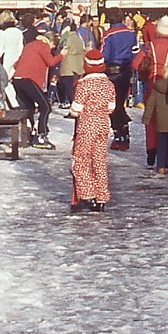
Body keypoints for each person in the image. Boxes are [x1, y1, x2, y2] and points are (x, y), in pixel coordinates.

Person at [133, 15, 168, 168]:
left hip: (151, 85)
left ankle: (151, 149)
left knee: (151, 119)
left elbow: (135, 63)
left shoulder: (148, 46)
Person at [69, 49, 114, 212]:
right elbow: (111, 107)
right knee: (99, 160)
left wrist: (74, 112)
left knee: (80, 160)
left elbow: (76, 109)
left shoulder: (84, 84)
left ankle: (87, 194)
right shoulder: (108, 84)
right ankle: (102, 197)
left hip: (87, 125)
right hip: (103, 124)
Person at [12, 31, 65, 148]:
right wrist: (62, 55)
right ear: (50, 42)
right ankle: (41, 136)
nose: (51, 49)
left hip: (17, 79)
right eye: (53, 47)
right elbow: (51, 62)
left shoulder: (30, 45)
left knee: (29, 108)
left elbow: (17, 64)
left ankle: (30, 133)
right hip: (28, 80)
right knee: (45, 106)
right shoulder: (43, 45)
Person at [100, 8, 137, 150]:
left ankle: (119, 135)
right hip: (126, 71)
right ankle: (125, 133)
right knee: (120, 101)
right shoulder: (131, 33)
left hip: (112, 72)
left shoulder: (108, 35)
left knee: (113, 106)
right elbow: (134, 52)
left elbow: (105, 56)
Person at [56, 17, 86, 111]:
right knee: (75, 91)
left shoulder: (66, 38)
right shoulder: (78, 38)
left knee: (70, 91)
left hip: (67, 67)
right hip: (78, 67)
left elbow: (60, 50)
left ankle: (75, 110)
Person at [0, 10, 23, 109]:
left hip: (7, 57)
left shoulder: (2, 32)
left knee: (5, 81)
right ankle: (16, 101)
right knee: (12, 80)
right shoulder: (18, 31)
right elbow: (21, 47)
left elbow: (0, 48)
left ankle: (11, 103)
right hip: (16, 57)